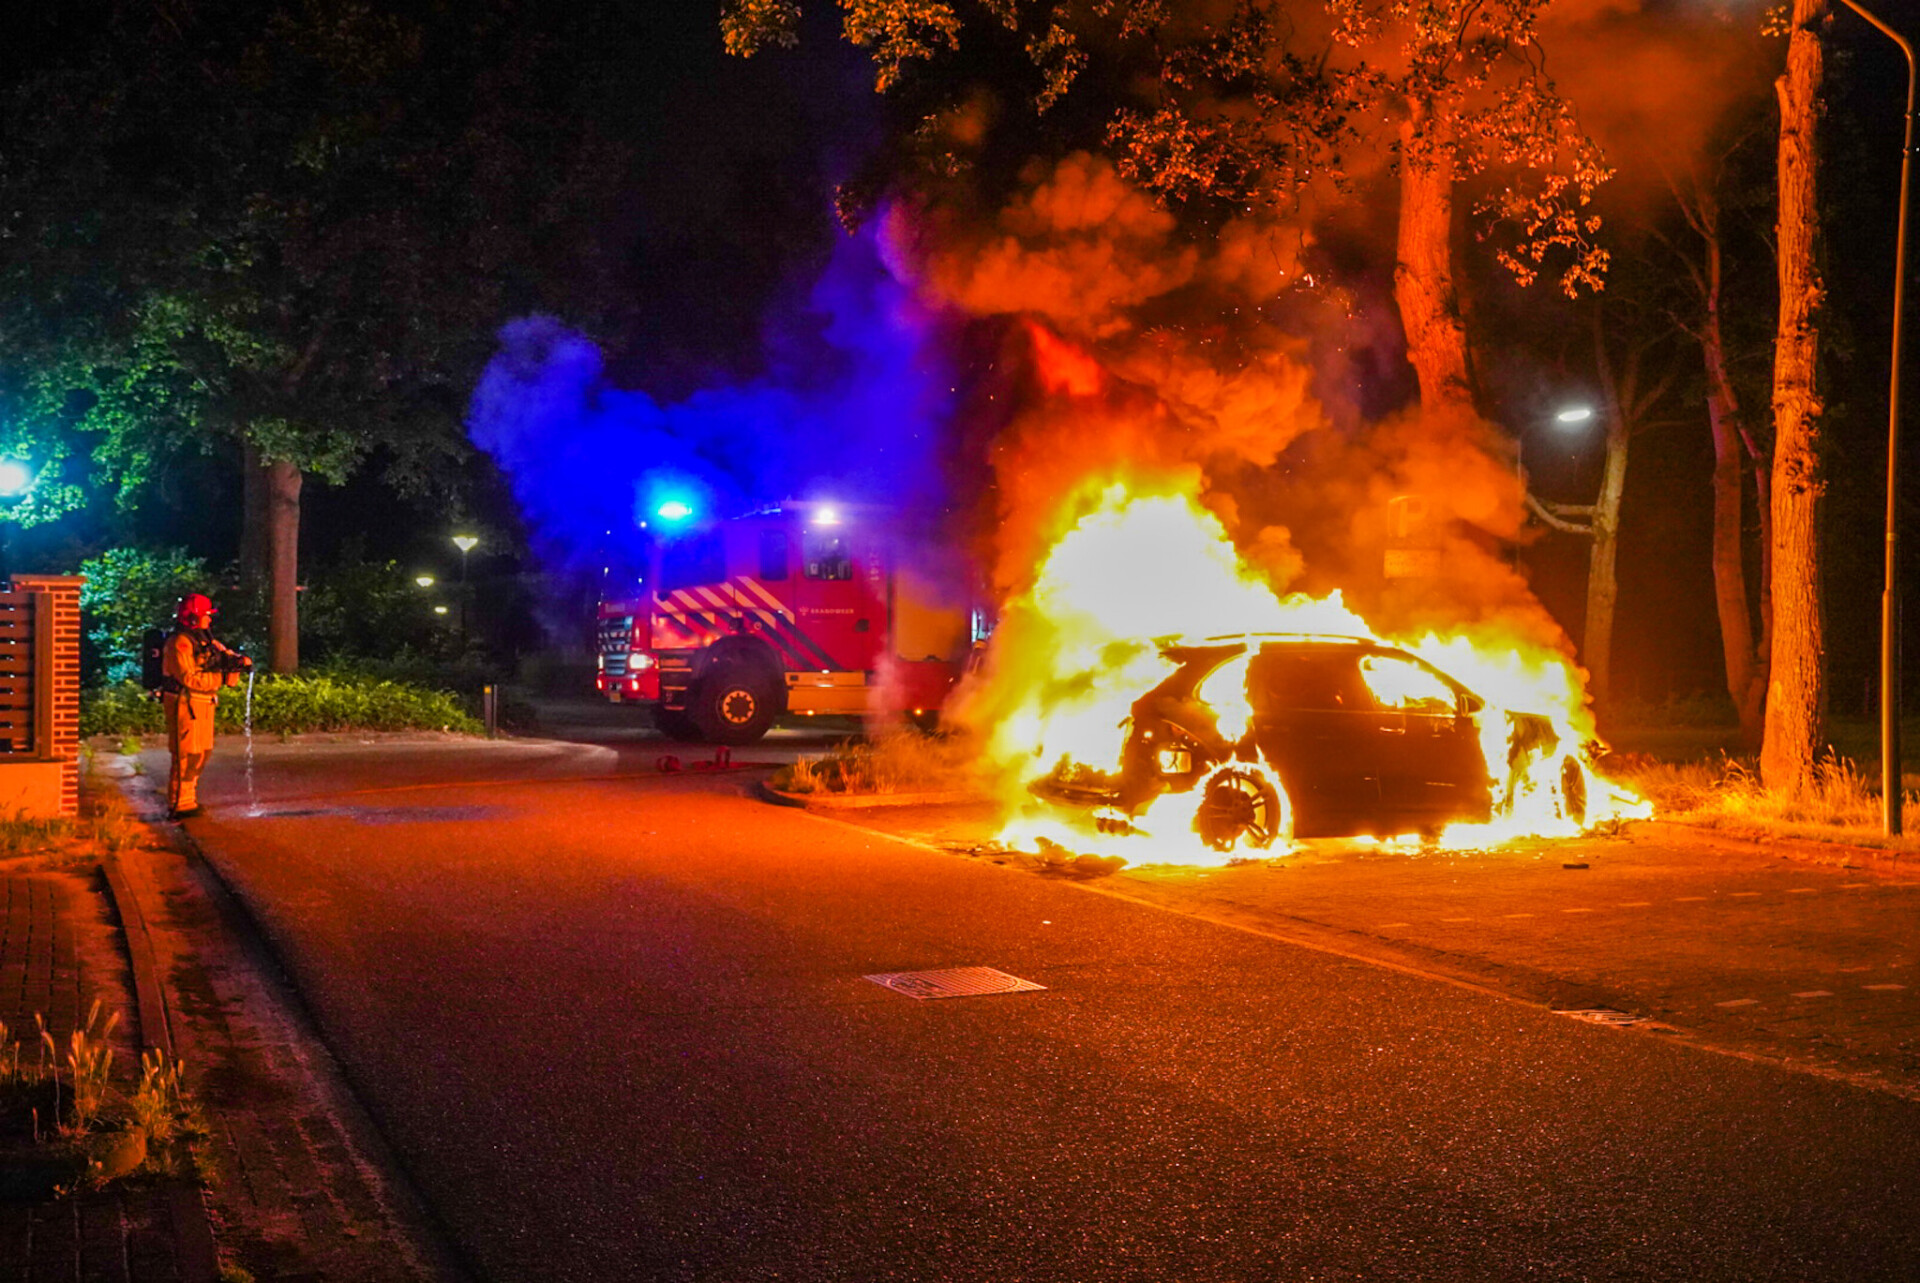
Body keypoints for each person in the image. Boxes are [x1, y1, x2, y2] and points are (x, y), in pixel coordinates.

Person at [161, 592, 251, 818]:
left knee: (202, 753)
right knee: (186, 754)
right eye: (206, 615)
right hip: (185, 703)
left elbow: (225, 654)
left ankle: (189, 799)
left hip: (205, 702)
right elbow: (189, 678)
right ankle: (179, 804)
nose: (210, 619)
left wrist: (238, 662)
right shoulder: (180, 643)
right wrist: (222, 679)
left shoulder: (205, 640)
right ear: (192, 617)